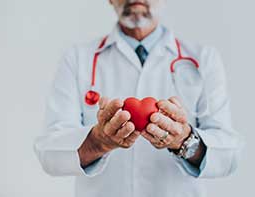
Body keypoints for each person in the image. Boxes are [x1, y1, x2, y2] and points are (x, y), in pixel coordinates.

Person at [34, 0, 243, 196]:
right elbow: (50, 154)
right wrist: (99, 142)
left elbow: (228, 156)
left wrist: (183, 140)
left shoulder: (203, 59)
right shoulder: (77, 59)